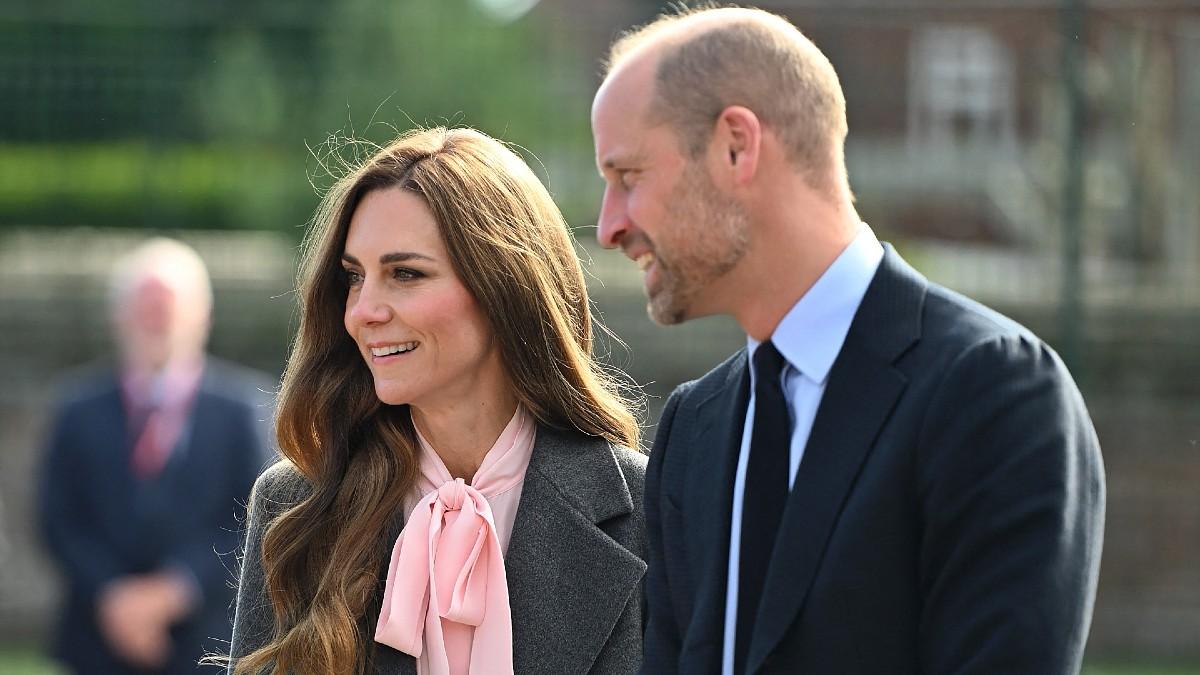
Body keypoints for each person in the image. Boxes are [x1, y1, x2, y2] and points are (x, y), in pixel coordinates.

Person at [591, 6, 1106, 675]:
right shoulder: (695, 427)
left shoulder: (992, 391)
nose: (608, 227)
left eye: (628, 177)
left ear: (736, 147)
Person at [227, 127, 647, 675]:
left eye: (405, 274)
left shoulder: (649, 507)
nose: (363, 312)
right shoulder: (295, 504)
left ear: (505, 287)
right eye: (353, 278)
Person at [37, 237, 275, 674]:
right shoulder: (76, 409)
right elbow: (58, 519)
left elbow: (254, 519)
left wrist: (173, 592)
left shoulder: (245, 409)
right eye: (145, 304)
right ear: (118, 315)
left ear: (204, 315)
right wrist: (114, 595)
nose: (157, 317)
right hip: (96, 641)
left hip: (209, 644)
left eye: (170, 305)